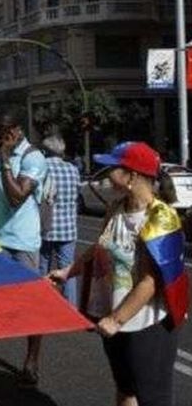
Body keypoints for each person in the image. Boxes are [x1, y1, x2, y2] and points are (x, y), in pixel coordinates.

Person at [50, 142, 186, 406]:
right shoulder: (116, 208)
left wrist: (116, 319)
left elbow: (150, 282)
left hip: (147, 324)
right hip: (114, 316)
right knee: (125, 389)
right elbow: (100, 245)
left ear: (132, 176)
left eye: (113, 168)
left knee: (152, 398)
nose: (106, 173)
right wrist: (69, 271)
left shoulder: (160, 218)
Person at [0, 110, 48, 386]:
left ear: (17, 130)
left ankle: (31, 361)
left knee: (32, 304)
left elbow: (17, 196)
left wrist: (6, 161)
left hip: (23, 242)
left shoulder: (33, 158)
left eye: (3, 131)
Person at [40, 135, 80, 306]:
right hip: (68, 228)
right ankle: (71, 308)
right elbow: (77, 196)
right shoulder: (73, 169)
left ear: (45, 151)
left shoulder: (42, 168)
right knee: (67, 270)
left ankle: (43, 304)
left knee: (43, 268)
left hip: (45, 227)